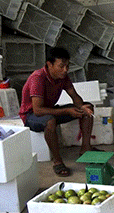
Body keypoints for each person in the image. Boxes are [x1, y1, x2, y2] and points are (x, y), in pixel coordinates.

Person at [19, 47, 95, 177]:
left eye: (67, 66)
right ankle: (57, 161)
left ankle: (85, 149)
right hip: (31, 115)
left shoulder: (63, 76)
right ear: (49, 64)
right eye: (61, 66)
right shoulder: (38, 78)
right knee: (50, 121)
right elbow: (37, 110)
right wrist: (67, 110)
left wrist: (82, 107)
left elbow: (75, 97)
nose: (65, 70)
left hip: (50, 110)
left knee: (88, 108)